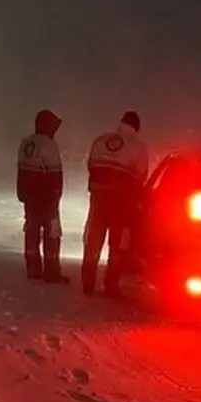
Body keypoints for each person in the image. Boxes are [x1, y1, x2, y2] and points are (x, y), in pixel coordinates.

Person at [81, 110, 149, 296]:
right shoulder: (138, 147)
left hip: (98, 197)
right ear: (136, 128)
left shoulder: (100, 140)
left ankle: (88, 282)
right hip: (121, 201)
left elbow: (91, 165)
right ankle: (111, 284)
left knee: (93, 239)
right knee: (118, 243)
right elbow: (141, 176)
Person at [16, 108, 70, 283]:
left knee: (31, 231)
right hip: (46, 197)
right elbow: (55, 175)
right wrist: (56, 197)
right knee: (52, 234)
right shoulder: (49, 145)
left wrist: (21, 192)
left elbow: (21, 171)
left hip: (29, 196)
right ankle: (51, 271)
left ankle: (33, 268)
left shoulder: (26, 143)